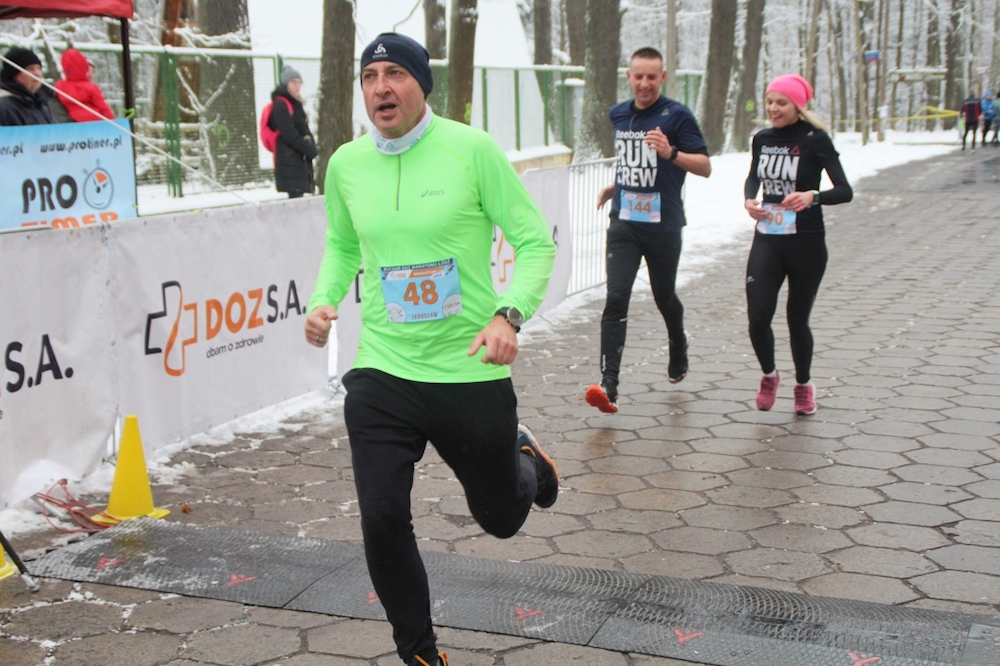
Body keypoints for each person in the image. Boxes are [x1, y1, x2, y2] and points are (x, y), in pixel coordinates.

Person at [304, 33, 558, 666]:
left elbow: (535, 242)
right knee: (381, 515)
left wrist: (508, 315)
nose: (380, 88)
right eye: (369, 77)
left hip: (468, 368)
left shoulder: (470, 150)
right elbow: (342, 244)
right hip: (383, 370)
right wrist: (324, 299)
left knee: (501, 518)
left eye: (395, 74)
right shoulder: (346, 164)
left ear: (422, 83)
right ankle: (418, 653)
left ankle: (526, 461)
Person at [585, 46, 711, 414]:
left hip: (663, 226)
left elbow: (704, 166)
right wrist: (617, 186)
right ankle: (609, 384)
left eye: (651, 77)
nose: (644, 83)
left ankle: (678, 341)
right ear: (628, 76)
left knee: (663, 295)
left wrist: (671, 152)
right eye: (638, 76)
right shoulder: (619, 114)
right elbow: (634, 162)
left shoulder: (677, 116)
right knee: (616, 298)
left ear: (663, 77)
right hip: (624, 223)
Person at [743, 74, 853, 415]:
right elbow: (753, 177)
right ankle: (769, 375)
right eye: (770, 101)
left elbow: (845, 190)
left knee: (796, 320)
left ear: (797, 106)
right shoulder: (762, 139)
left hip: (806, 242)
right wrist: (749, 199)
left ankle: (804, 386)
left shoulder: (815, 139)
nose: (773, 108)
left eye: (782, 102)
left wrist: (812, 196)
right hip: (768, 238)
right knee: (758, 316)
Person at [269, 65, 317, 198]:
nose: (297, 86)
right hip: (289, 159)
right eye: (293, 82)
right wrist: (307, 148)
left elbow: (303, 128)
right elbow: (289, 133)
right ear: (286, 84)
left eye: (299, 82)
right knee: (295, 197)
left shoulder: (295, 102)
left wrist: (310, 146)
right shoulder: (281, 104)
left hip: (297, 159)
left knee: (298, 196)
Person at [52, 48, 115, 122]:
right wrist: (113, 120)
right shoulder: (91, 87)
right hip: (96, 121)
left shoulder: (59, 86)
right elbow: (103, 107)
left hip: (73, 122)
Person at [0, 47, 55, 126]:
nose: (37, 73)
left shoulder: (41, 104)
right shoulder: (4, 107)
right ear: (14, 74)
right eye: (30, 69)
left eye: (39, 68)